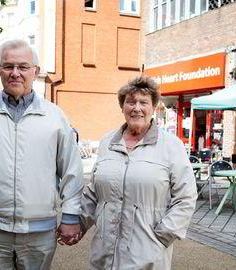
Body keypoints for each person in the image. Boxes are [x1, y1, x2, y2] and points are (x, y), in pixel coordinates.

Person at [0, 39, 84, 270]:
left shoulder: (55, 117)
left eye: (23, 67)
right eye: (8, 66)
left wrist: (71, 216)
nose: (15, 73)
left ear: (36, 71)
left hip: (39, 233)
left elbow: (71, 170)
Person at [79, 76, 197, 269]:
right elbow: (94, 192)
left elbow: (186, 197)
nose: (137, 108)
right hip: (104, 252)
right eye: (131, 102)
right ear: (122, 106)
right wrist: (76, 223)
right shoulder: (108, 142)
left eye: (144, 102)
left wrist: (161, 236)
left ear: (153, 107)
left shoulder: (171, 145)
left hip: (147, 255)